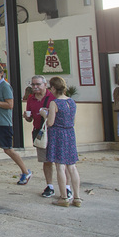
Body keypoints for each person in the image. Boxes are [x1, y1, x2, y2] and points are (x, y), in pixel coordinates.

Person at [24, 75, 68, 199]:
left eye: (38, 84)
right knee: (46, 160)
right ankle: (50, 186)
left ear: (45, 85)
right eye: (33, 85)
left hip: (54, 131)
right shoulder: (31, 99)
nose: (35, 87)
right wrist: (27, 117)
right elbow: (30, 117)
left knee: (61, 161)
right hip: (40, 132)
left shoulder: (54, 97)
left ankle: (66, 187)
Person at [44, 77, 82, 207]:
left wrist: (46, 114)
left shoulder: (54, 103)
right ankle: (77, 197)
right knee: (72, 166)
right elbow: (74, 121)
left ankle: (63, 197)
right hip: (70, 133)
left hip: (57, 134)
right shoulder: (72, 102)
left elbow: (50, 122)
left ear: (54, 88)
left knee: (60, 166)